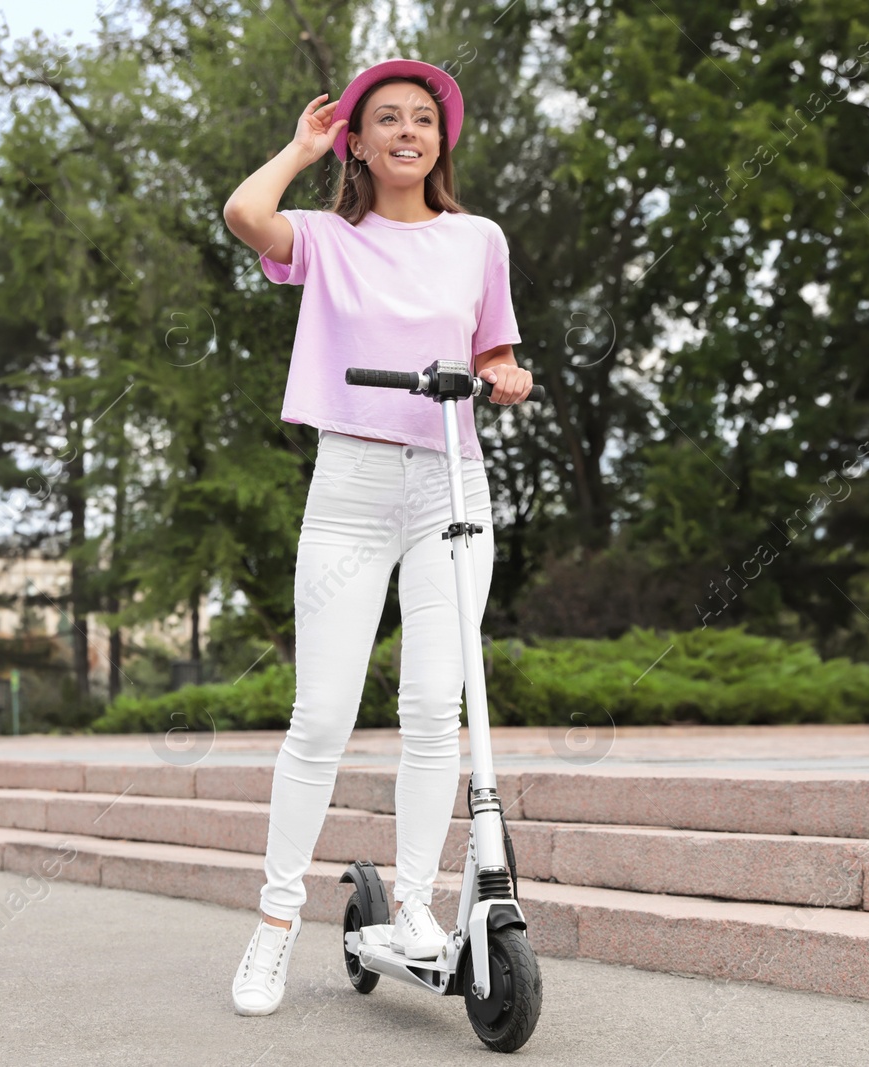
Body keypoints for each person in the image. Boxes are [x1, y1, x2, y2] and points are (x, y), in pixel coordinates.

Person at [220, 57, 532, 1017]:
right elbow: (243, 215)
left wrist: (509, 373)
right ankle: (274, 924)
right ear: (356, 141)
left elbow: (495, 350)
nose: (407, 131)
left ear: (442, 141)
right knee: (321, 716)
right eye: (384, 119)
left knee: (435, 706)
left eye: (423, 120)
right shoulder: (324, 236)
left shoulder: (479, 239)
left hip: (452, 476)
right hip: (351, 482)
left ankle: (421, 913)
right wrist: (300, 148)